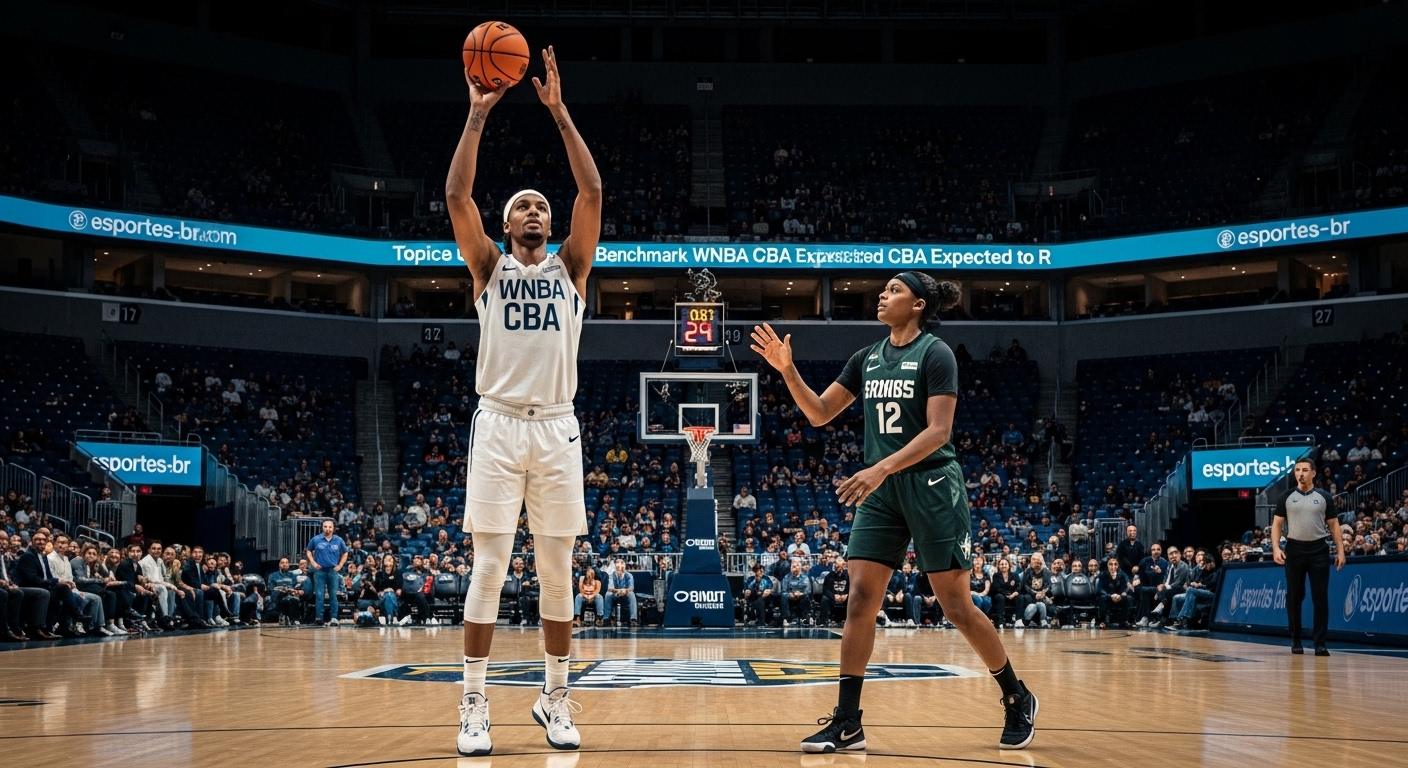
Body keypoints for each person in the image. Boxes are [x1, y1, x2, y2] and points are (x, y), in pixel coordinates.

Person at [751, 272, 1037, 753]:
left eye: (894, 290)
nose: (883, 296)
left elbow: (939, 431)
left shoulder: (936, 353)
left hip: (931, 485)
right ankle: (848, 721)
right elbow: (820, 413)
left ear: (919, 304)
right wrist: (787, 370)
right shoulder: (866, 358)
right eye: (883, 290)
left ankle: (1015, 693)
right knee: (860, 599)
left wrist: (880, 468)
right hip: (883, 491)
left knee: (956, 607)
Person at [446, 43, 601, 757]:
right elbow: (456, 198)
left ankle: (555, 695)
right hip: (500, 425)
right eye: (524, 207)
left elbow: (592, 196)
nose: (536, 211)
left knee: (556, 568)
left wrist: (559, 112)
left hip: (558, 428)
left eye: (542, 205)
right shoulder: (488, 266)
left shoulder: (572, 266)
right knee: (488, 565)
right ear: (508, 227)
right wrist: (478, 116)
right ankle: (474, 704)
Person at [1272, 458, 1346, 655]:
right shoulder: (1286, 496)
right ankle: (1295, 639)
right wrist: (1276, 548)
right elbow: (1277, 524)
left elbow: (1334, 525)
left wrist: (1340, 550)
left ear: (1313, 473)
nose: (1300, 473)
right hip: (1294, 550)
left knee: (1320, 597)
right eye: (1297, 470)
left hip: (1319, 550)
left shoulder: (1324, 497)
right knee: (1295, 597)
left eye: (1305, 470)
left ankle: (1320, 643)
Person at [305, 519, 350, 626]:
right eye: (325, 526)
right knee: (319, 595)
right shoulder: (316, 539)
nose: (327, 529)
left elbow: (345, 553)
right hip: (320, 571)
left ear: (333, 528)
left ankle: (334, 618)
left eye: (330, 527)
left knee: (333, 595)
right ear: (322, 527)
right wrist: (313, 562)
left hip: (332, 571)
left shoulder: (338, 540)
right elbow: (308, 550)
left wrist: (340, 565)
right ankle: (319, 618)